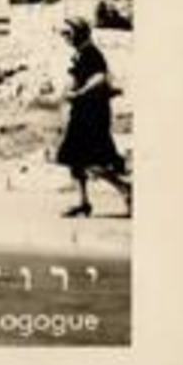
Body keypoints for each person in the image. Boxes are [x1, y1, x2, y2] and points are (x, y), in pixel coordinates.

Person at [53, 17, 130, 218]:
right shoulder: (80, 54)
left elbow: (100, 78)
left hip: (92, 114)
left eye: (68, 33)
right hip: (82, 112)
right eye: (63, 34)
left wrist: (80, 93)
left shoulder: (90, 53)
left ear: (79, 33)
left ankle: (125, 190)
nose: (65, 37)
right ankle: (83, 203)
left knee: (91, 160)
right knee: (74, 158)